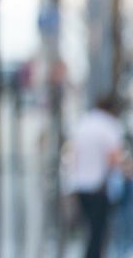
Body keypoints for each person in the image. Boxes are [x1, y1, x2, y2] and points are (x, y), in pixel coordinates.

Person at [68, 95, 127, 258]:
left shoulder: (84, 123)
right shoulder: (109, 126)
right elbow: (114, 159)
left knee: (90, 232)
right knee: (98, 233)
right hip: (98, 187)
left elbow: (73, 154)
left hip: (81, 186)